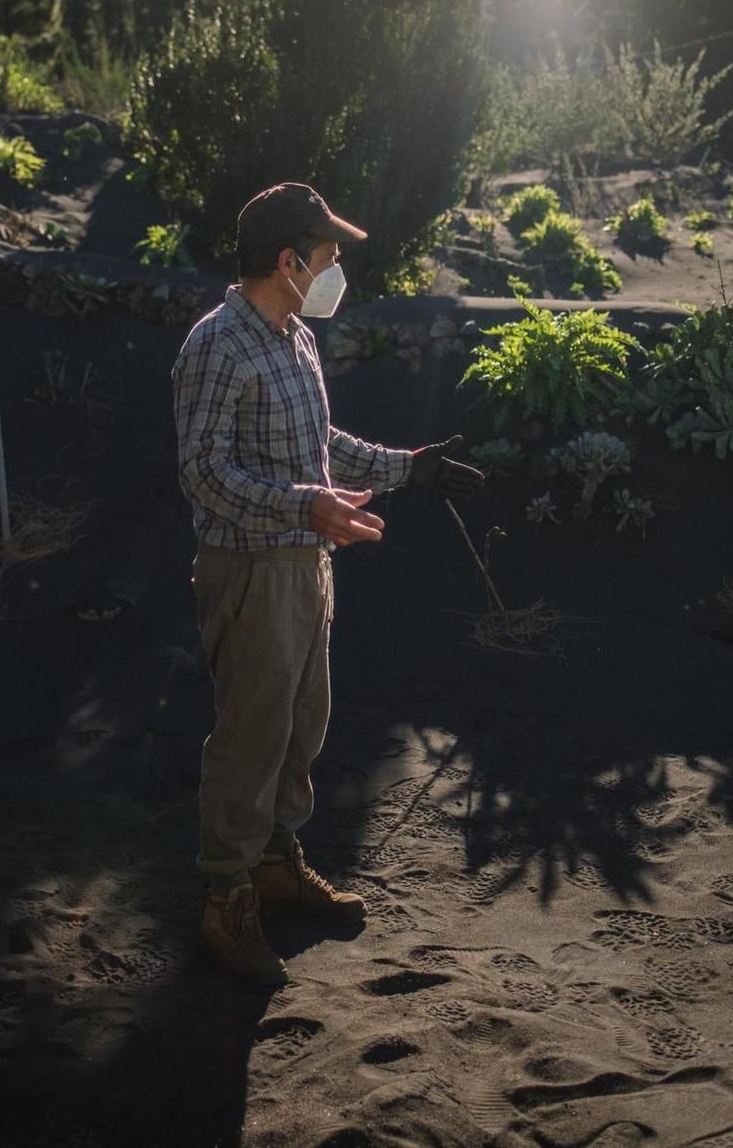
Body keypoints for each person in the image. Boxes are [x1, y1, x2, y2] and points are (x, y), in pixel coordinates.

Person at [169, 182, 485, 986]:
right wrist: (304, 506)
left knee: (304, 721)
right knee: (253, 734)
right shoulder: (217, 345)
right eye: (327, 254)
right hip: (251, 568)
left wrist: (407, 470)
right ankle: (227, 899)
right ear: (288, 261)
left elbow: (321, 443)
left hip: (307, 560)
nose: (335, 267)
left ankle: (276, 860)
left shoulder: (294, 337)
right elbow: (204, 475)